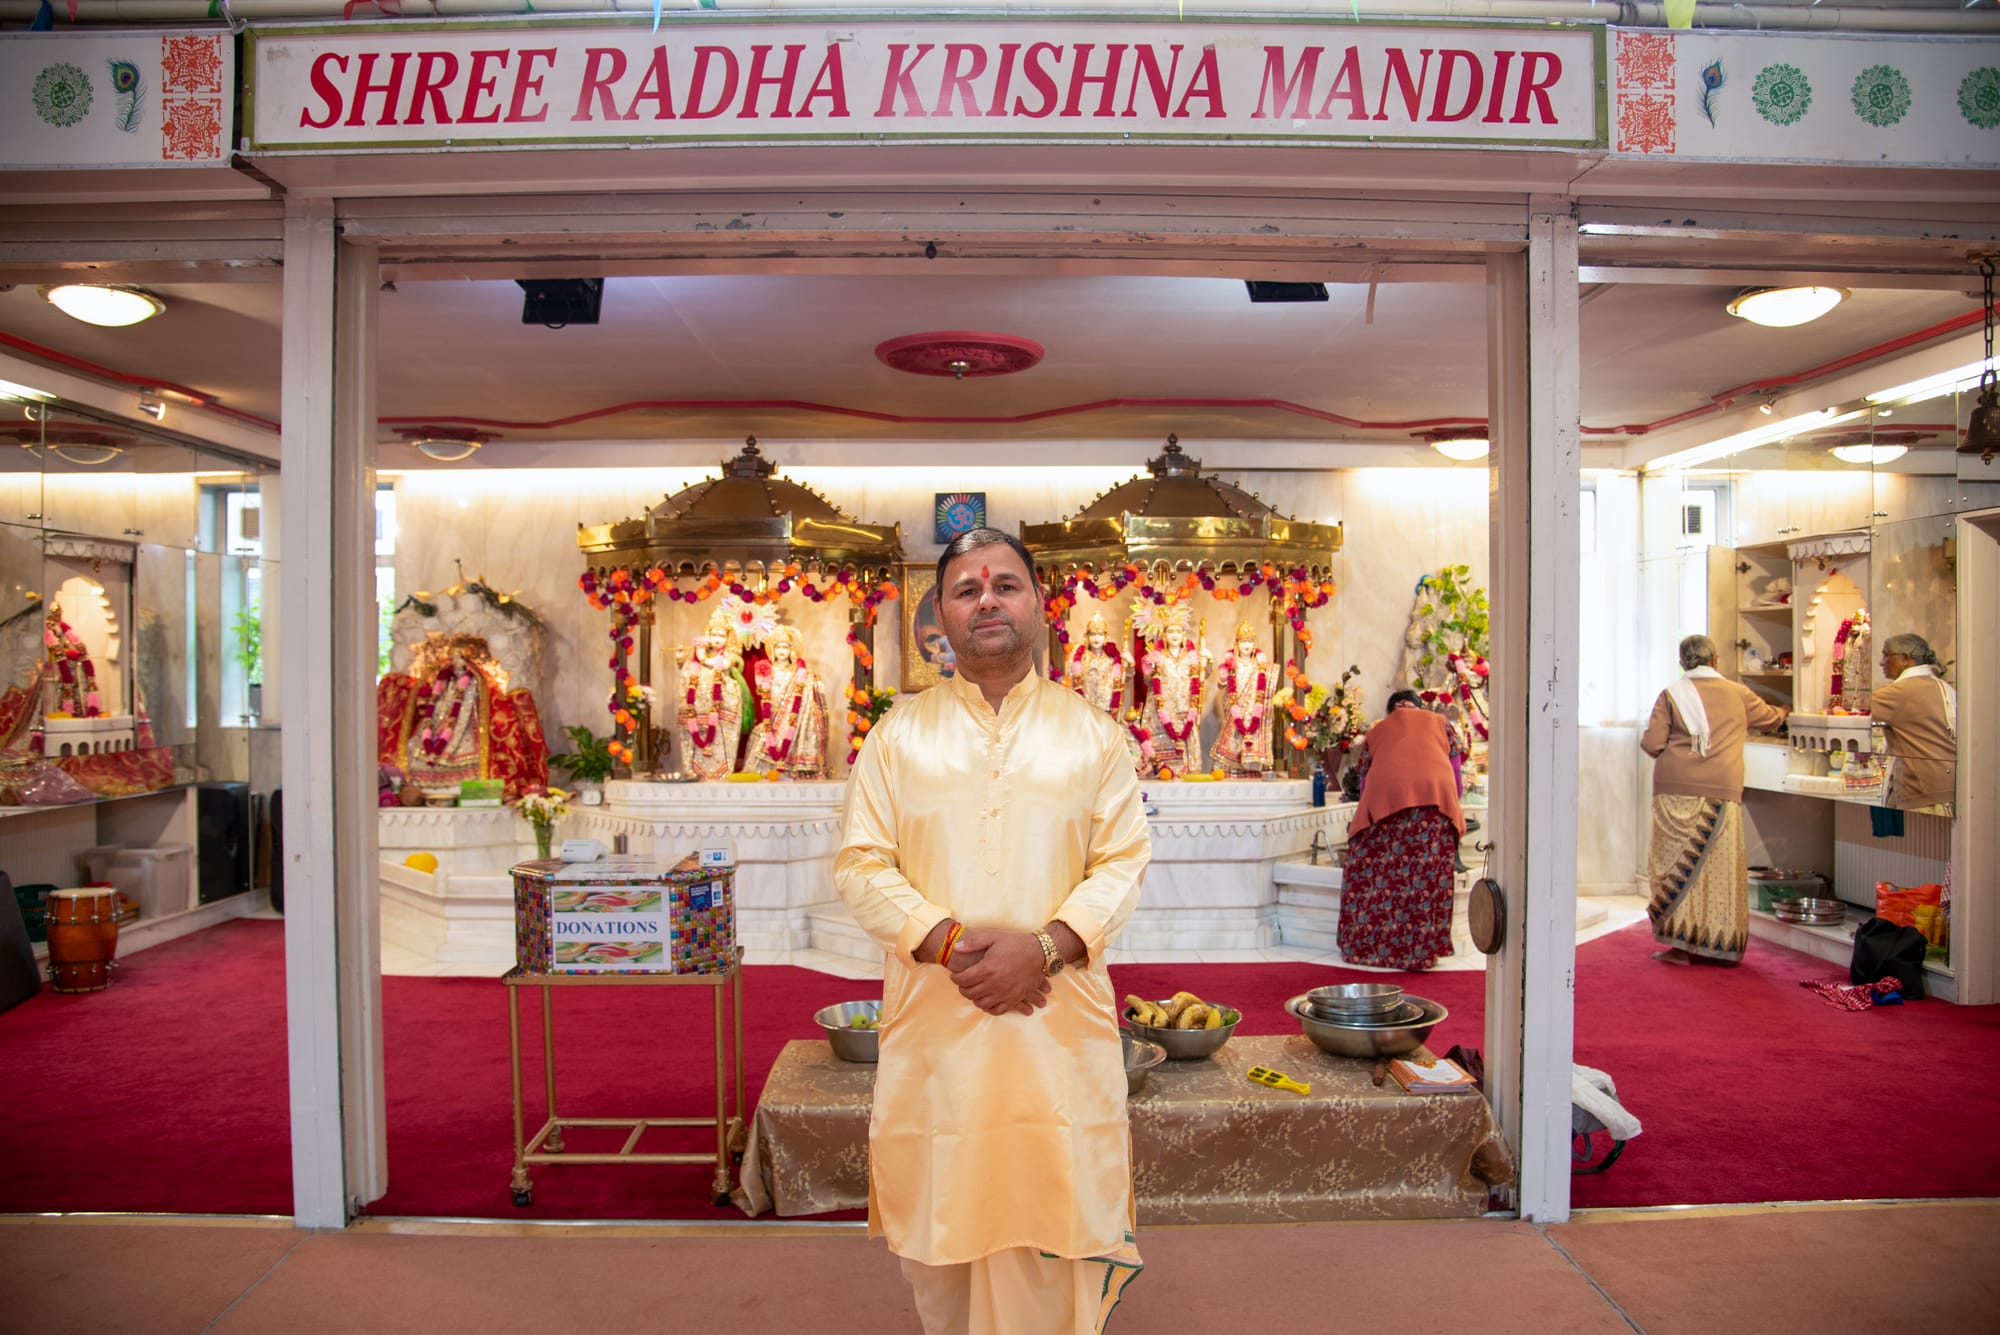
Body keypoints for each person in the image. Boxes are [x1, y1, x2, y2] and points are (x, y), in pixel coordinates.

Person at [835, 527, 1150, 1335]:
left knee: (1058, 1212)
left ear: (1039, 603)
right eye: (967, 589)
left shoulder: (1094, 734)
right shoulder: (897, 735)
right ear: (939, 614)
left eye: (1005, 584)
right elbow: (860, 864)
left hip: (1057, 1030)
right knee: (945, 1230)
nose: (987, 600)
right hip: (940, 1031)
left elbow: (1122, 864)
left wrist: (1041, 950)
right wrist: (950, 943)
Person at [1639, 634, 1788, 965]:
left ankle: (1680, 946)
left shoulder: (1671, 695)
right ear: (1715, 660)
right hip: (1722, 791)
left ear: (1682, 663)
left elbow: (1652, 744)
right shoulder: (1738, 693)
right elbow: (1771, 719)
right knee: (1720, 868)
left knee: (1676, 867)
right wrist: (1785, 710)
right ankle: (1720, 945)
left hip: (1674, 790)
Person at [1337, 688, 1466, 970]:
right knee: (1426, 881)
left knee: (1373, 873)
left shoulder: (1378, 731)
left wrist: (1366, 822)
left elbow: (1364, 784)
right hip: (1434, 810)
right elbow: (1456, 779)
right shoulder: (1442, 724)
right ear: (1420, 707)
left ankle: (1372, 949)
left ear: (1390, 712)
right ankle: (1423, 951)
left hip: (1387, 813)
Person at [1871, 633, 1956, 813]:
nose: (1881, 662)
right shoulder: (1942, 686)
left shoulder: (1901, 691)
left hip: (1924, 793)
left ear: (1905, 659)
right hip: (1948, 786)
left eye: (1886, 655)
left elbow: (1857, 713)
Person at [745, 624, 829, 779]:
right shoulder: (767, 669)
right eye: (778, 647)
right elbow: (762, 692)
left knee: (792, 733)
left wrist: (811, 682)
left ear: (792, 650)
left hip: (792, 720)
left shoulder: (799, 673)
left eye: (785, 647)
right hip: (772, 715)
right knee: (761, 736)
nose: (781, 651)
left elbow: (803, 694)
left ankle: (791, 768)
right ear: (772, 649)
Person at [675, 609, 749, 780]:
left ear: (728, 638)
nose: (717, 639)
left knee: (720, 741)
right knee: (694, 738)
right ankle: (692, 771)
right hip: (696, 709)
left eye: (721, 636)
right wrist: (680, 659)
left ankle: (722, 772)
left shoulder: (730, 656)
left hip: (721, 708)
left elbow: (722, 665)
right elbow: (688, 671)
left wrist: (702, 658)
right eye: (714, 634)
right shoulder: (698, 656)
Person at [1137, 602, 1208, 774]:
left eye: (1178, 631)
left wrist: (1208, 662)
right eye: (1170, 631)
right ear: (1164, 635)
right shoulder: (1158, 657)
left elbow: (1202, 677)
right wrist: (1148, 669)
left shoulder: (1191, 657)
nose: (1174, 635)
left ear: (1183, 634)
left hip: (1185, 710)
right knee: (1160, 758)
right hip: (1161, 713)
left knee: (1186, 754)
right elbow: (1148, 682)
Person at [1210, 619, 1276, 776]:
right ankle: (1232, 772)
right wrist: (1223, 678)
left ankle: (1253, 772)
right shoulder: (1230, 665)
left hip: (1254, 714)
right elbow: (1221, 686)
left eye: (1250, 641)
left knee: (1253, 743)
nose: (1247, 645)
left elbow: (1266, 691)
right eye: (1243, 641)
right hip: (1235, 715)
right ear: (1236, 643)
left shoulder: (1261, 666)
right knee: (1232, 743)